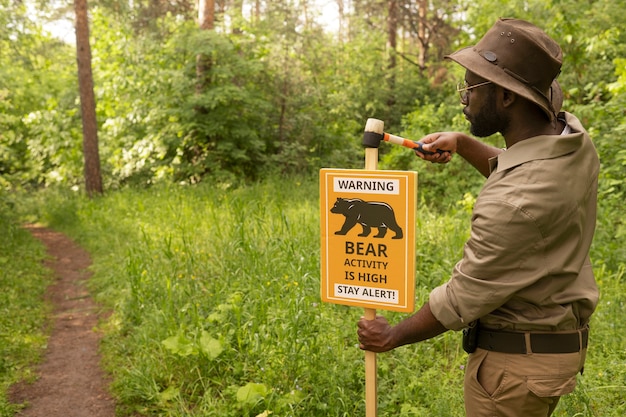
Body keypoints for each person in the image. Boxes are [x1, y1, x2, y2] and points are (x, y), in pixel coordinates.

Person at [357, 18, 599, 417]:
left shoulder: (511, 205)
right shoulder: (572, 138)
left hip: (514, 369)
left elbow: (460, 299)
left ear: (506, 97)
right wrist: (465, 142)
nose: (463, 99)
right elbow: (525, 171)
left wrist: (391, 335)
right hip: (550, 347)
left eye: (470, 88)